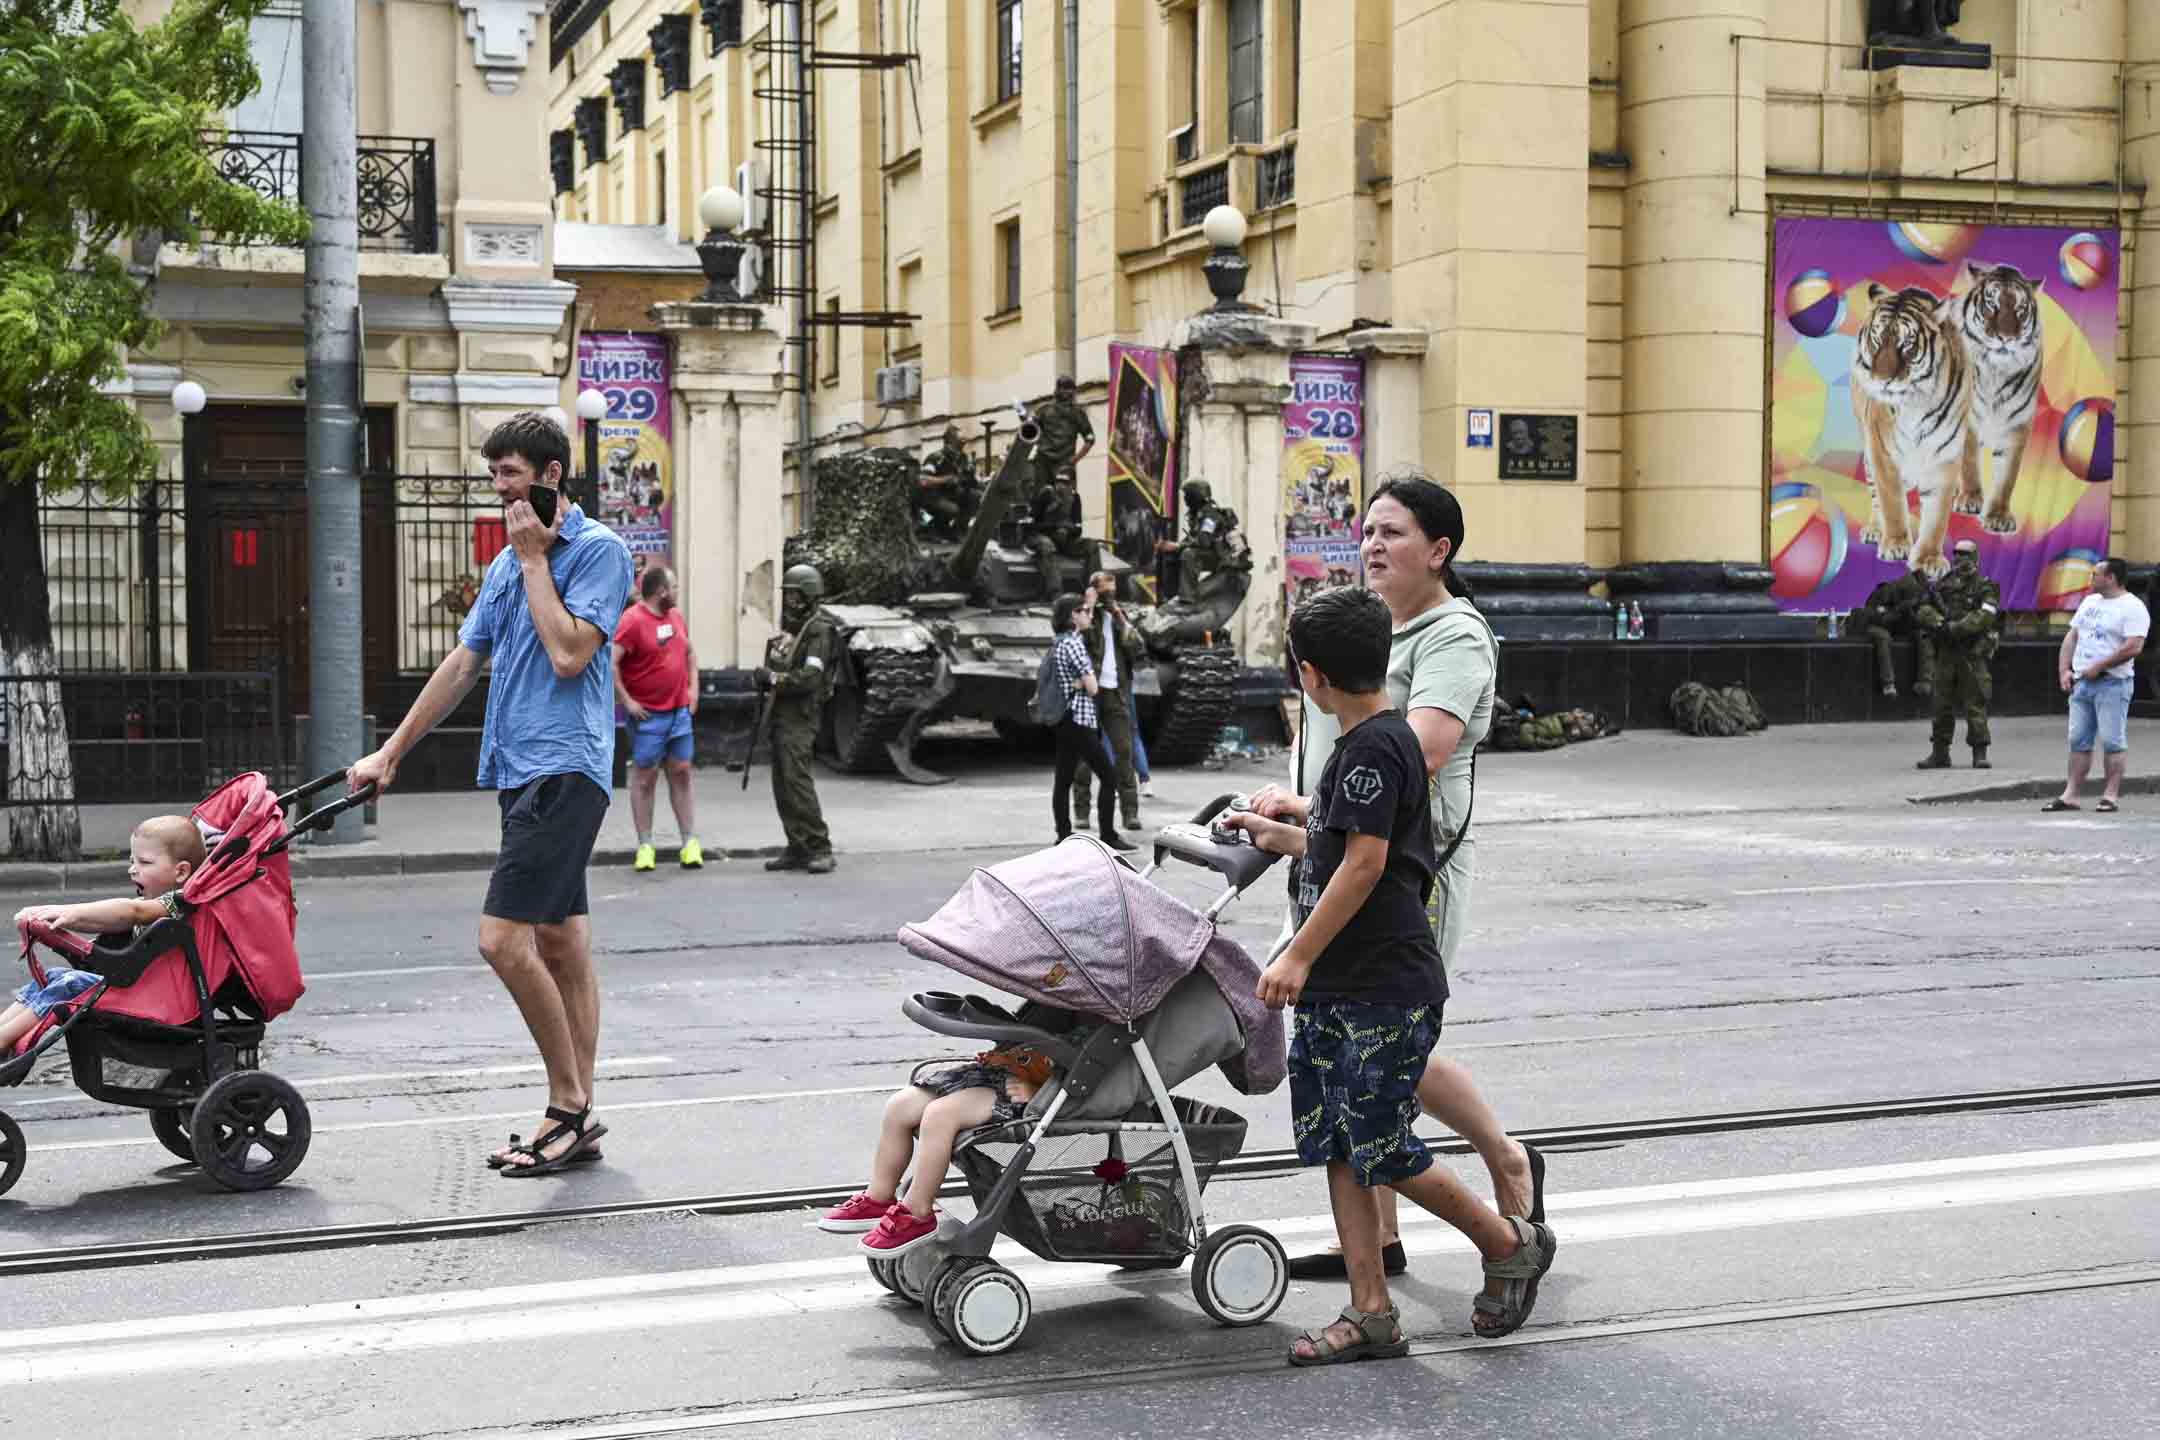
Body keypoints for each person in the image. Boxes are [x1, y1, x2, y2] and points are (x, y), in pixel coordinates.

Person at [1223, 587, 1556, 1365]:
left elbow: (1368, 866)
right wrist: (1280, 834)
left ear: (1311, 676)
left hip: (1382, 982)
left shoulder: (1372, 749)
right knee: (1340, 1142)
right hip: (1344, 984)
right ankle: (1370, 1312)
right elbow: (1348, 850)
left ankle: (1506, 1241)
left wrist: (1297, 952)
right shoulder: (1369, 742)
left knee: (1380, 1143)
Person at [349, 411, 633, 1177]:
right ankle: (579, 1108)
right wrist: (391, 750)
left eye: (508, 474)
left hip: (565, 767)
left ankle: (567, 1107)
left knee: (501, 940)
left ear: (548, 474)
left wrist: (538, 561)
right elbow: (462, 663)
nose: (497, 489)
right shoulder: (508, 564)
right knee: (562, 942)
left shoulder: (597, 552)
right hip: (517, 768)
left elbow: (572, 654)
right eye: (494, 474)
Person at [815, 1044, 1054, 1255]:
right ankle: (878, 1197)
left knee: (939, 1116)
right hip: (1001, 1073)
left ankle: (917, 1212)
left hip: (1038, 1093)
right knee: (900, 1106)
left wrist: (1041, 1090)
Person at [5, 816, 203, 1053]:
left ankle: (3, 1041)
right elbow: (110, 919)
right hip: (143, 992)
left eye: (145, 862)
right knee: (53, 976)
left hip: (158, 1000)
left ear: (181, 872)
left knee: (71, 984)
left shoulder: (180, 901)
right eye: (132, 860)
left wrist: (70, 913)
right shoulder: (152, 904)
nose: (132, 869)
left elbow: (131, 911)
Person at [612, 564, 702, 872]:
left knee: (681, 771)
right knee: (645, 777)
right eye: (674, 586)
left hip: (679, 713)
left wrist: (694, 690)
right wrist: (627, 701)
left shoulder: (675, 617)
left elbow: (689, 653)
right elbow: (611, 664)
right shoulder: (632, 620)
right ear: (661, 591)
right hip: (648, 715)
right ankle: (646, 845)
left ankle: (689, 842)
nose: (677, 591)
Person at [2047, 556, 2149, 813]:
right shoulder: (2090, 602)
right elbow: (2073, 636)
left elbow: (2133, 646)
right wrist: (2064, 670)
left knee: (2113, 741)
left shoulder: (2133, 607)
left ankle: (2110, 796)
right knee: (2078, 740)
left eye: (2095, 574)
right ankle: (2071, 795)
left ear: (2111, 578)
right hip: (2082, 683)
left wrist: (2100, 666)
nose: (2091, 578)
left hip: (2113, 684)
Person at [760, 563, 838, 874]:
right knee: (783, 784)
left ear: (808, 595)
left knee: (797, 782)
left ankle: (820, 846)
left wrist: (774, 679)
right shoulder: (796, 628)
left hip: (800, 719)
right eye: (788, 595)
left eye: (794, 595)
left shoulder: (818, 630)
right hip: (783, 716)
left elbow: (809, 678)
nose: (789, 601)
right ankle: (797, 845)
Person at [1047, 591, 1137, 852]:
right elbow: (1094, 687)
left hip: (1065, 718)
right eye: (1085, 611)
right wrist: (1083, 683)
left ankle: (1063, 834)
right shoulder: (1075, 644)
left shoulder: (1059, 642)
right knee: (1109, 777)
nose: (1090, 616)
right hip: (1080, 719)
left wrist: (1079, 683)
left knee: (1063, 779)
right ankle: (1108, 835)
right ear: (1072, 616)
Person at [1915, 538, 2000, 770]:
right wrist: (1939, 622)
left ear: (1974, 558)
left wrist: (1957, 628)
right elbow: (1922, 608)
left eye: (1964, 554)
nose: (1959, 558)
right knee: (1941, 703)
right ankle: (1940, 753)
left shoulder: (1985, 586)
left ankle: (1979, 753)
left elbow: (1985, 616)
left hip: (1972, 653)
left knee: (1975, 703)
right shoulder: (1942, 585)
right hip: (1946, 653)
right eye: (1956, 554)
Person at [1068, 570, 1143, 833]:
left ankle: (1130, 812)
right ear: (1093, 589)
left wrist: (1120, 616)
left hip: (1115, 693)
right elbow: (1078, 641)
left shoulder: (1119, 617)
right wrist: (1088, 606)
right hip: (1091, 693)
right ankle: (1081, 812)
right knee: (1084, 755)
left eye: (1113, 588)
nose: (1110, 594)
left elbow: (1138, 649)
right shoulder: (1087, 616)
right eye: (1104, 589)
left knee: (1124, 751)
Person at [1155, 480, 1253, 614]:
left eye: (1187, 496)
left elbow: (1204, 541)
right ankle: (1170, 596)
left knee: (1189, 554)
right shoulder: (1198, 515)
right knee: (1172, 556)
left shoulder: (1210, 516)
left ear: (1196, 496)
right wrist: (1172, 547)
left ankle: (1187, 601)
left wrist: (1178, 546)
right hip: (1213, 555)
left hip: (1224, 559)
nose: (1185, 499)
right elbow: (1192, 539)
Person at [1852, 570, 1936, 699]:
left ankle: (1924, 682)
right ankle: (1888, 684)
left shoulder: (1916, 595)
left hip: (1894, 625)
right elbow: (1881, 619)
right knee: (1883, 637)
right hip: (1872, 624)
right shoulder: (1887, 591)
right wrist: (1901, 608)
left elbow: (1914, 621)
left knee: (1923, 634)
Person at [1030, 468, 1089, 600]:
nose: (1060, 486)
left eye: (1065, 482)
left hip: (1064, 538)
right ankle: (1056, 594)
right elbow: (1033, 524)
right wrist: (1055, 527)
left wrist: (1068, 530)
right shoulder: (1046, 494)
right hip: (1042, 536)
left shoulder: (1075, 499)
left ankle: (1094, 589)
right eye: (1058, 481)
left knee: (1091, 546)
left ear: (1072, 484)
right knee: (1047, 546)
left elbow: (1078, 528)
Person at [1031, 375, 1095, 496]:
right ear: (1057, 391)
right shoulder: (1044, 410)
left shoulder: (1077, 413)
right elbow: (1031, 431)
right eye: (1064, 389)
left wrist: (1074, 460)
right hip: (1044, 462)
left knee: (1064, 502)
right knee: (1041, 500)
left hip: (1063, 464)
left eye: (1069, 389)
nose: (1067, 392)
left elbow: (1090, 439)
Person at [916, 425, 979, 539]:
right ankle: (934, 529)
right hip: (933, 497)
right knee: (952, 509)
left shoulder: (963, 458)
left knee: (975, 497)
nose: (961, 446)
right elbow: (923, 480)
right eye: (959, 442)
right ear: (950, 442)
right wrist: (945, 479)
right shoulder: (936, 458)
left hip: (952, 494)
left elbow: (969, 482)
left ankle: (958, 530)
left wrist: (970, 476)